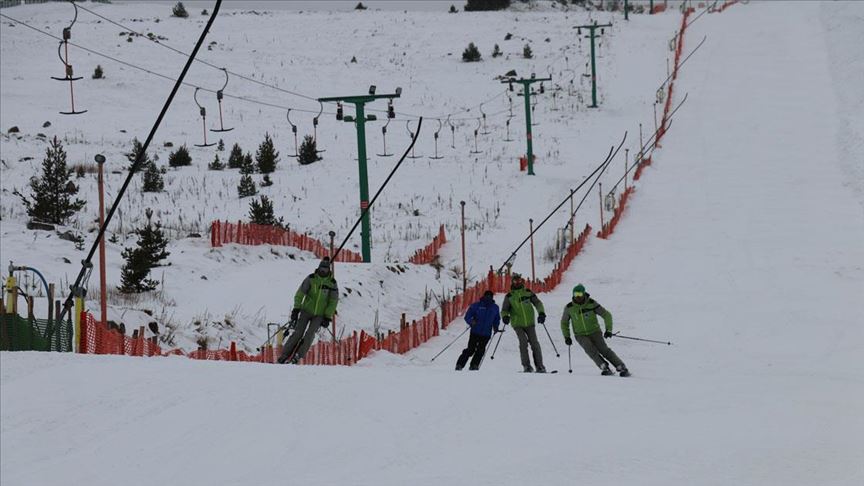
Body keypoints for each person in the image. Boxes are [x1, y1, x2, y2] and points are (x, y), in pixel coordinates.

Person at [278, 257, 339, 364]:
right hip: (306, 310)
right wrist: (296, 308)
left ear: (329, 270)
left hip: (319, 315)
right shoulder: (311, 279)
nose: (323, 271)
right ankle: (284, 354)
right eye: (321, 269)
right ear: (318, 268)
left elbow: (333, 301)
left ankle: (299, 355)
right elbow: (300, 293)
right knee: (298, 332)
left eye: (325, 269)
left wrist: (327, 316)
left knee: (310, 334)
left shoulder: (332, 283)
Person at [561, 284, 630, 377]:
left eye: (580, 294)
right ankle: (603, 366)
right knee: (589, 349)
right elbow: (564, 323)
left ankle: (620, 366)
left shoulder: (592, 303)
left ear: (584, 294)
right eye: (575, 294)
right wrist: (567, 337)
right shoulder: (569, 308)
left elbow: (606, 315)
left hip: (595, 331)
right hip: (580, 334)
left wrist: (608, 329)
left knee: (604, 350)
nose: (578, 296)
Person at [501, 273, 547, 373]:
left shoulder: (528, 292)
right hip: (518, 324)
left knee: (534, 343)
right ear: (512, 282)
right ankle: (526, 366)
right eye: (515, 281)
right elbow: (504, 310)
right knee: (523, 342)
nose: (517, 282)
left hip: (530, 323)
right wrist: (505, 316)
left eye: (519, 280)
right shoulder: (509, 296)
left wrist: (541, 313)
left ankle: (540, 366)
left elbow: (537, 303)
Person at [456, 290, 502, 371]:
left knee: (480, 350)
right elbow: (468, 316)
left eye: (490, 296)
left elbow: (496, 319)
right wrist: (471, 321)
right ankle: (460, 364)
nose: (488, 298)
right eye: (486, 296)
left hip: (486, 333)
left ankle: (474, 365)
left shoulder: (495, 307)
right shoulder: (476, 305)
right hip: (475, 331)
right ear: (483, 296)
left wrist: (496, 327)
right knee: (470, 349)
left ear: (492, 298)